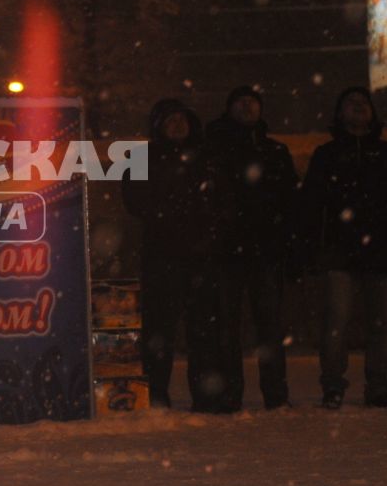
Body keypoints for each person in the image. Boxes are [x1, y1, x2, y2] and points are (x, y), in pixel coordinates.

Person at [294, 86, 387, 408]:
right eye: (350, 103)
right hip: (341, 251)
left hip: (381, 250)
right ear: (339, 113)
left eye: (363, 103)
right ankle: (336, 386)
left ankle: (375, 387)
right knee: (338, 323)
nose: (358, 107)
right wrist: (310, 247)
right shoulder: (329, 154)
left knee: (377, 325)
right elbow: (310, 205)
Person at [122, 98, 226, 411]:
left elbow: (224, 202)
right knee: (158, 332)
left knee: (203, 331)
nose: (178, 125)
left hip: (201, 257)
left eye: (182, 119)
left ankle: (207, 396)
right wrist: (171, 217)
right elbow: (135, 201)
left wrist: (207, 235)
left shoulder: (207, 158)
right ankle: (156, 395)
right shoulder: (141, 158)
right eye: (170, 121)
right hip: (162, 256)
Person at [205, 85, 297, 409]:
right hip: (230, 252)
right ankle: (235, 393)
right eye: (240, 102)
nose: (247, 107)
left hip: (263, 251)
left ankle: (273, 393)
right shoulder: (216, 150)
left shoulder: (273, 152)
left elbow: (288, 201)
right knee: (233, 327)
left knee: (266, 326)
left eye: (251, 102)